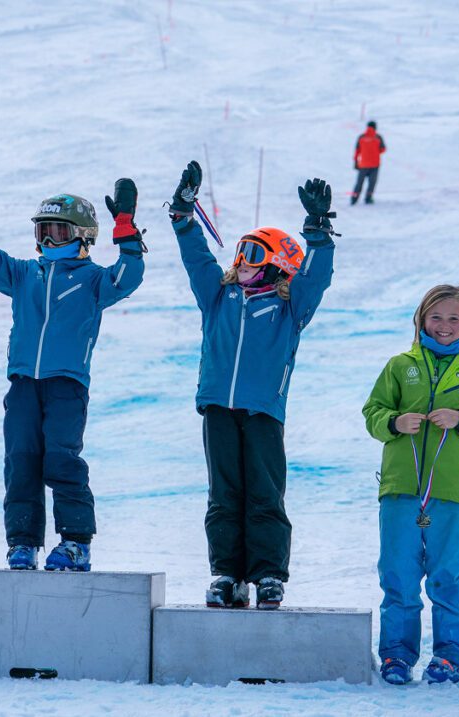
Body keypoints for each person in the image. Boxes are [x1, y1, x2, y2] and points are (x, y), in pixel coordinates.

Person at [0, 171, 144, 572]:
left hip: (66, 384)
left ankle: (75, 542)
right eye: (43, 231)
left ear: (81, 236)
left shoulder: (93, 280)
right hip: (24, 383)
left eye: (58, 232)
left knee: (62, 459)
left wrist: (126, 230)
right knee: (21, 459)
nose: (48, 241)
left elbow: (128, 276)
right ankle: (23, 542)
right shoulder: (25, 273)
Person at [170, 162, 336, 610]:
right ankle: (227, 572)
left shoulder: (290, 310)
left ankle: (267, 575)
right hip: (218, 408)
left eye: (255, 255)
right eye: (242, 251)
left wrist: (317, 233)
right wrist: (183, 216)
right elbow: (197, 259)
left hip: (263, 409)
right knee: (224, 493)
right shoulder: (218, 298)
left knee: (263, 491)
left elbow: (316, 278)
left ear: (278, 266)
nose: (242, 262)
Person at [363, 285, 459, 685]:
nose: (444, 326)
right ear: (422, 319)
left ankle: (453, 657)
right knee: (398, 573)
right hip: (400, 490)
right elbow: (373, 411)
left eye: (454, 318)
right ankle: (396, 656)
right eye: (436, 317)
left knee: (447, 573)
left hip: (449, 493)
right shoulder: (400, 365)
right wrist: (393, 422)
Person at [351, 120, 386, 205]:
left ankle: (354, 198)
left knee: (359, 183)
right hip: (375, 165)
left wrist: (356, 161)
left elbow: (357, 151)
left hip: (363, 164)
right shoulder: (378, 137)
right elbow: (383, 149)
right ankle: (368, 198)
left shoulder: (361, 137)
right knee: (372, 183)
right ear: (375, 127)